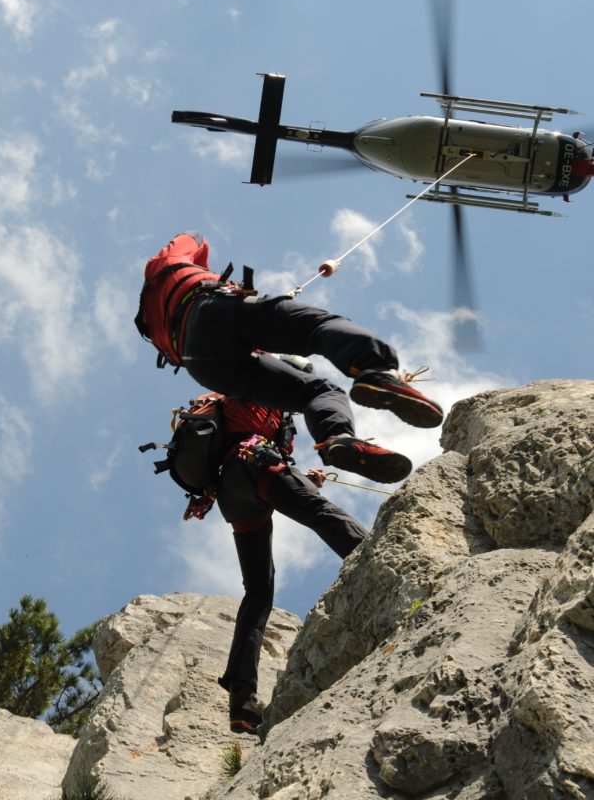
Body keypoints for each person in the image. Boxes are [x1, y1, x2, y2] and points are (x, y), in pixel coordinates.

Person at [135, 230, 444, 484]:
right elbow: (196, 238)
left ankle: (338, 439)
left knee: (318, 392)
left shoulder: (153, 327)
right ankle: (377, 371)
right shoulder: (163, 262)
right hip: (211, 308)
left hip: (202, 365)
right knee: (316, 327)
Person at [182, 392, 368, 735]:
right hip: (257, 466)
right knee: (322, 513)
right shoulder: (257, 393)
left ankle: (242, 699)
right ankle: (377, 556)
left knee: (258, 590)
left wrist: (305, 481)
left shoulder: (238, 402)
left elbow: (280, 478)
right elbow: (274, 469)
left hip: (233, 491)